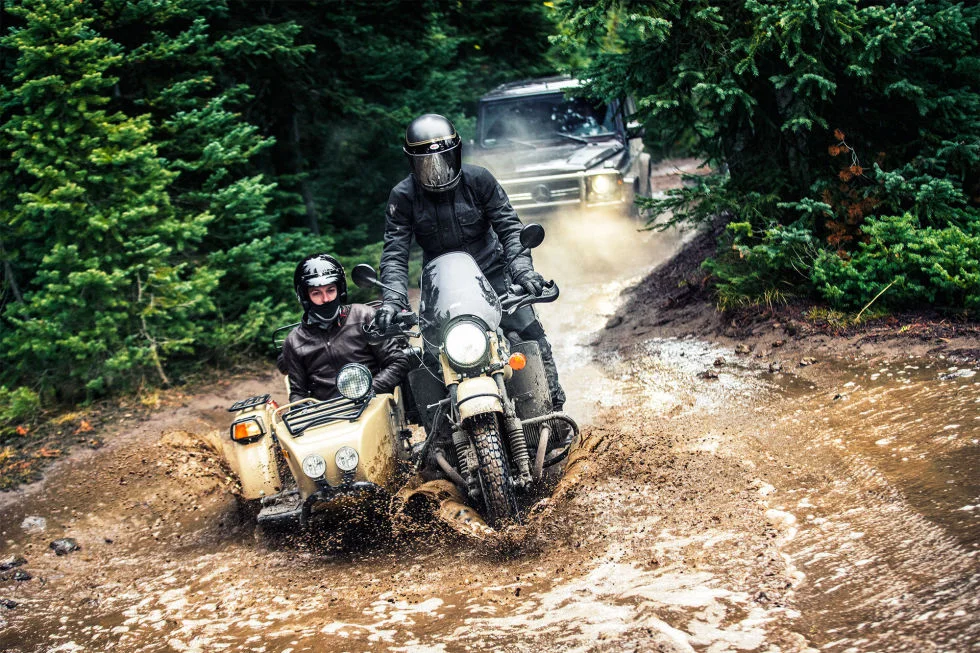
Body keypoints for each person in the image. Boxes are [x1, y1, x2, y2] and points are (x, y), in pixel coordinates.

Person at [375, 113, 565, 411]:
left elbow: (510, 227)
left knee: (528, 330)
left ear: (456, 153)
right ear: (412, 163)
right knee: (429, 357)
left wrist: (523, 271)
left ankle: (552, 407)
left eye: (443, 159)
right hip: (442, 286)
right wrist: (393, 301)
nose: (436, 171)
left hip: (493, 274)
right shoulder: (403, 196)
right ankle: (442, 436)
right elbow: (395, 253)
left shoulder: (479, 180)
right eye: (427, 164)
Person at [280, 253, 408, 404]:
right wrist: (302, 406)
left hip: (372, 403)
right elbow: (298, 392)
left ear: (340, 290)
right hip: (327, 414)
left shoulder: (364, 316)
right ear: (305, 297)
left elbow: (398, 361)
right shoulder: (294, 341)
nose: (326, 299)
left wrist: (368, 389)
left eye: (330, 290)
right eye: (316, 293)